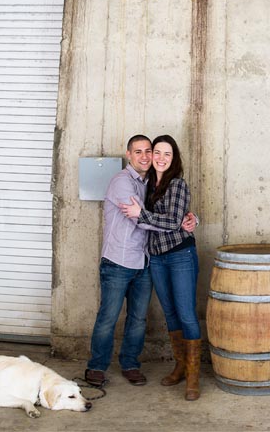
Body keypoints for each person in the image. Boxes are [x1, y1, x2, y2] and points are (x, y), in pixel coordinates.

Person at [85, 135, 196, 388]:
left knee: (138, 319)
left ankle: (130, 364)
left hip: (144, 261)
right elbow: (142, 219)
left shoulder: (153, 184)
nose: (145, 156)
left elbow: (163, 213)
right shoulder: (121, 182)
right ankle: (96, 366)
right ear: (128, 154)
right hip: (118, 261)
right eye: (139, 152)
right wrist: (174, 222)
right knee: (108, 317)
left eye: (149, 151)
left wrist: (190, 218)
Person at [120, 134, 202, 401]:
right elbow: (171, 220)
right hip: (156, 257)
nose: (161, 158)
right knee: (170, 313)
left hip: (180, 255)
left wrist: (141, 215)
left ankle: (192, 377)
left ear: (173, 158)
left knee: (187, 314)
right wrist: (190, 218)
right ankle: (180, 366)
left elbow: (172, 221)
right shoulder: (145, 185)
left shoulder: (177, 184)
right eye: (157, 152)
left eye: (167, 154)